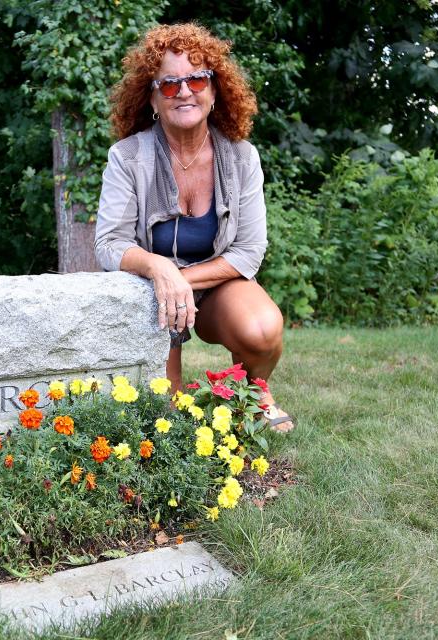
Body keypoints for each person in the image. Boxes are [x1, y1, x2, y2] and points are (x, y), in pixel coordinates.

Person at [95, 23, 293, 431]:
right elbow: (109, 243)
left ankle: (252, 392)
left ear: (215, 89)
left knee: (262, 329)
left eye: (197, 79)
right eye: (168, 85)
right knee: (164, 415)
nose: (184, 91)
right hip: (151, 295)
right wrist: (160, 270)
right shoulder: (127, 157)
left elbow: (248, 253)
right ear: (151, 98)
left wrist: (181, 277)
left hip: (215, 284)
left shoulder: (242, 157)